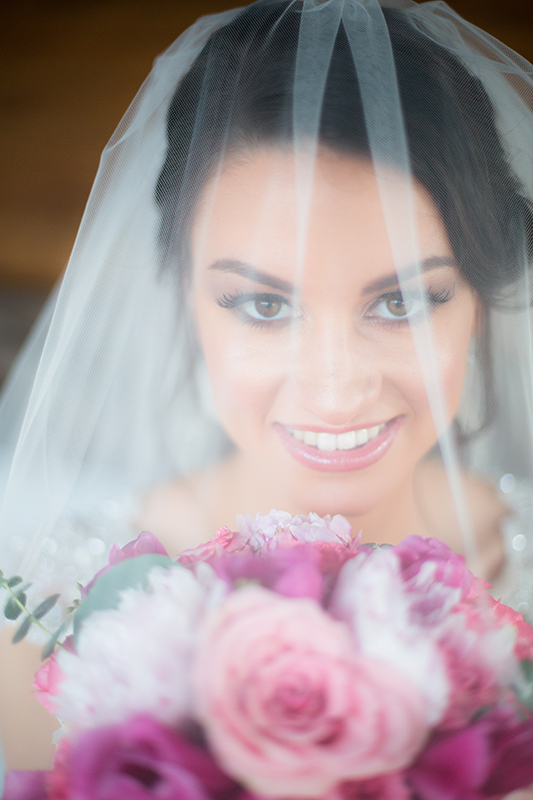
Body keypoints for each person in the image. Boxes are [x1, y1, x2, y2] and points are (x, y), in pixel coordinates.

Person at [1, 0, 533, 782]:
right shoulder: (46, 625)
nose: (335, 387)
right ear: (183, 298)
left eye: (401, 301)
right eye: (263, 304)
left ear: (478, 304)